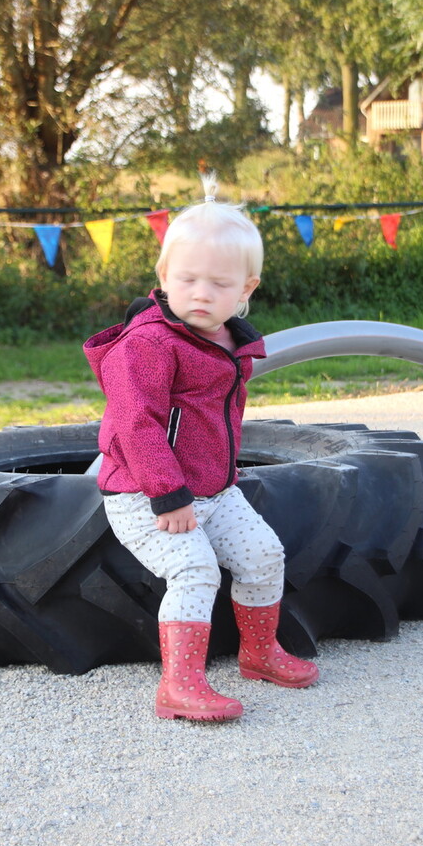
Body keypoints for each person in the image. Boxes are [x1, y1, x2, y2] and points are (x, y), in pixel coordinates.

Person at [83, 174, 319, 722]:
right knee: (195, 570)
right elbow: (136, 424)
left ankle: (259, 653)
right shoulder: (147, 345)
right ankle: (180, 685)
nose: (201, 293)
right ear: (164, 276)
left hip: (213, 490)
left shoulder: (228, 342)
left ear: (246, 289)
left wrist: (214, 480)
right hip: (147, 495)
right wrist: (168, 494)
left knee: (264, 554)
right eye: (187, 279)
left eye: (219, 283)